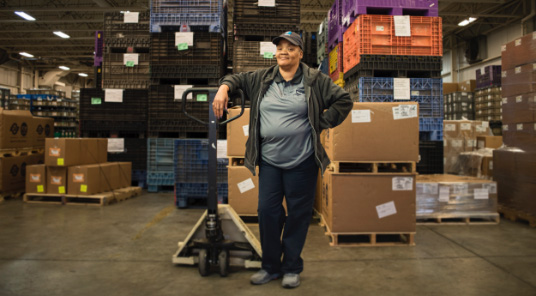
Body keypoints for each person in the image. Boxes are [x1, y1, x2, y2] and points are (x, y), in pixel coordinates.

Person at [212, 31, 352, 289]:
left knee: (298, 215)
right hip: (269, 162)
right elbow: (234, 78)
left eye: (290, 47)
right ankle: (270, 266)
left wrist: (320, 123)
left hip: (303, 162)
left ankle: (291, 267)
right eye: (280, 47)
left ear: (300, 53)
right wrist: (223, 89)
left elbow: (344, 100)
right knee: (267, 212)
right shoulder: (262, 78)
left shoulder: (315, 80)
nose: (283, 51)